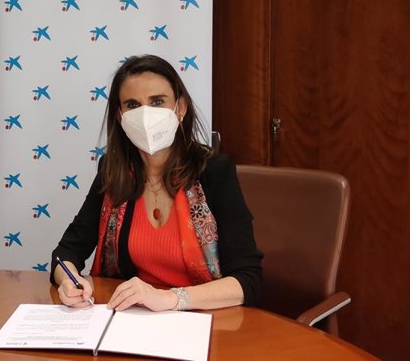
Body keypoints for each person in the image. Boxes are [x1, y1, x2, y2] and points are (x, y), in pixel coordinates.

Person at [51, 55, 263, 312]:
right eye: (132, 105)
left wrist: (169, 299)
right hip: (133, 318)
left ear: (180, 108)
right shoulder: (113, 171)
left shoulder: (214, 171)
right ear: (120, 116)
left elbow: (247, 280)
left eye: (157, 102)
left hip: (204, 318)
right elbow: (66, 253)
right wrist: (69, 282)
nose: (145, 115)